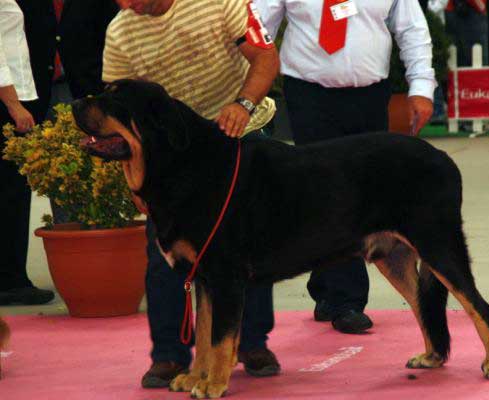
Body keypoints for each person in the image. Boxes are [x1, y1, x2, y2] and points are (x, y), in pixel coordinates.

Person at [104, 0, 281, 387]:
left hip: (238, 132)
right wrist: (131, 178)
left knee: (248, 248)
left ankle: (252, 344)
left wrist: (243, 103)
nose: (126, 4)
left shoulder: (220, 3)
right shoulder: (119, 32)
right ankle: (169, 355)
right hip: (171, 153)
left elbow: (265, 58)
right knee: (163, 253)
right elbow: (117, 119)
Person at [255, 0, 435, 334]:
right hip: (308, 94)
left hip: (370, 96)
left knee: (364, 195)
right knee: (326, 195)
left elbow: (412, 28)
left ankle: (326, 283)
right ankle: (346, 300)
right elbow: (256, 25)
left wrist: (422, 87)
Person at [16, 0, 120, 224]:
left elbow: (113, 31)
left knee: (99, 169)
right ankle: (70, 233)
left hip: (90, 93)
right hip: (41, 95)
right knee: (60, 174)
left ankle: (104, 231)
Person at [0, 0, 55, 306]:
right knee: (10, 191)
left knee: (13, 190)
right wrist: (14, 105)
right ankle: (10, 279)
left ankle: (11, 275)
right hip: (9, 100)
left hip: (18, 93)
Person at [445, 0, 489, 66]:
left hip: (472, 13)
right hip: (460, 12)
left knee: (476, 57)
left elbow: (481, 6)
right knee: (460, 56)